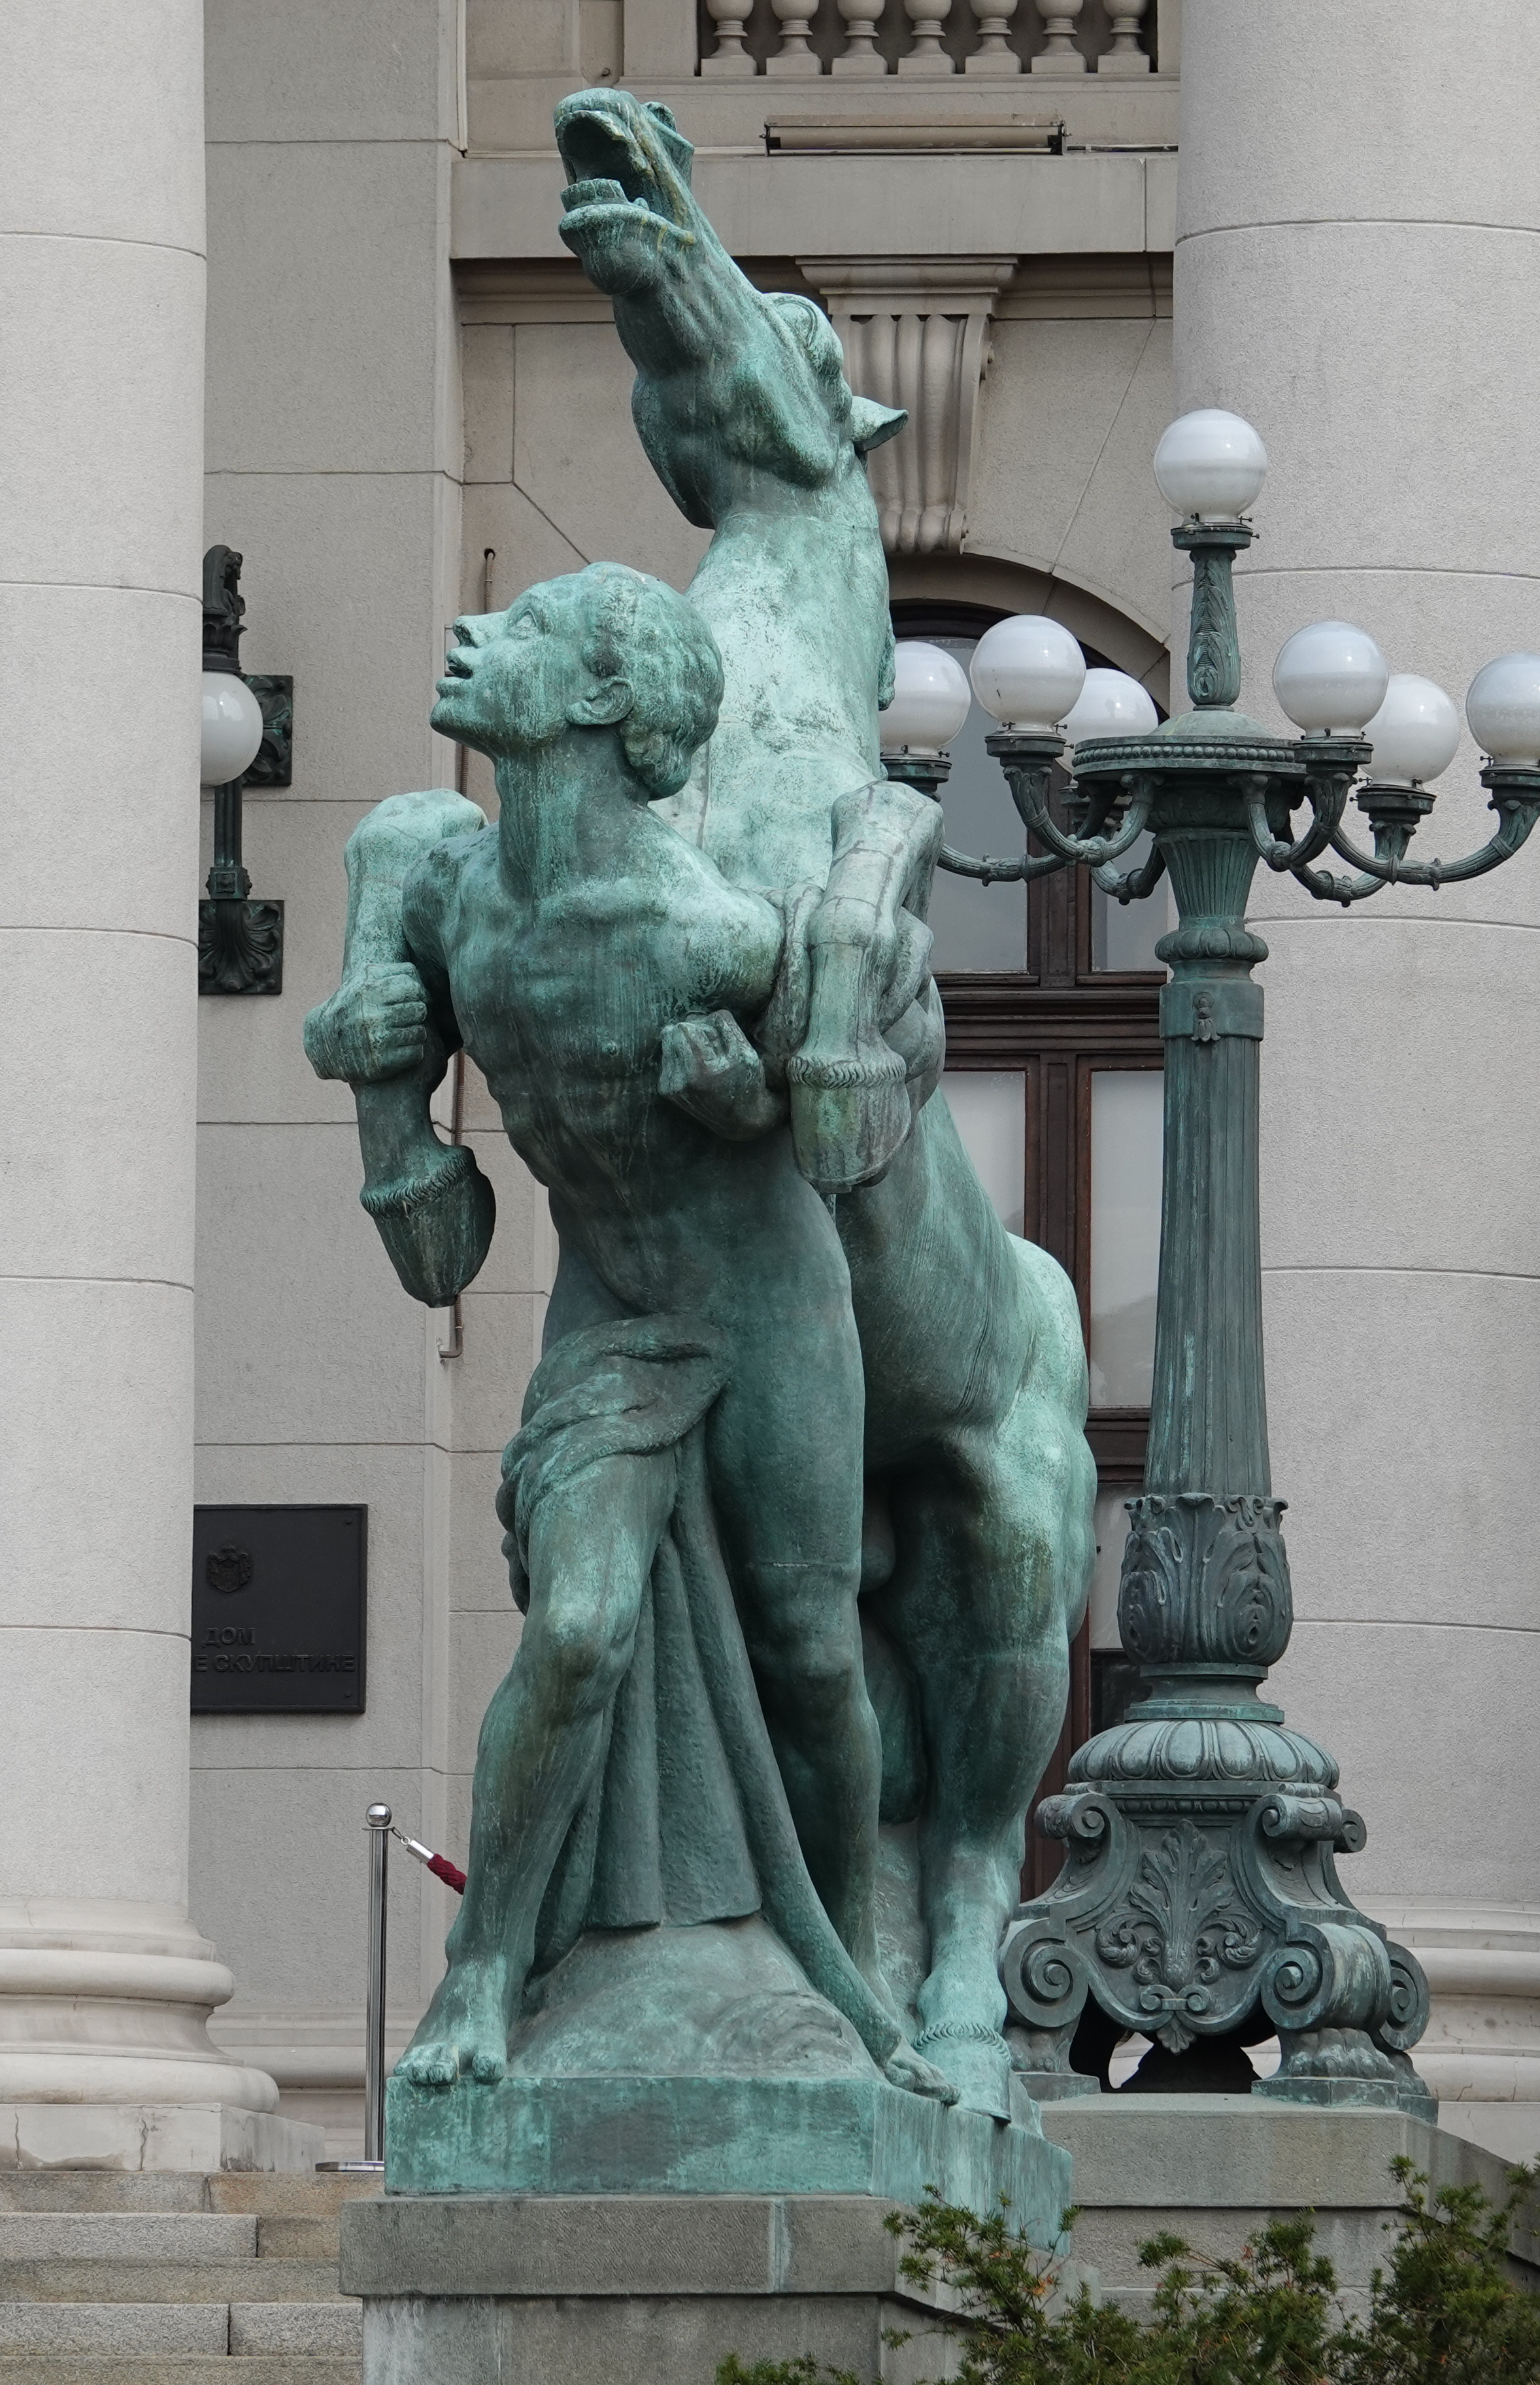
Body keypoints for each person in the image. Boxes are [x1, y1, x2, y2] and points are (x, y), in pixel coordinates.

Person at [322, 561, 934, 2091]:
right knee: (579, 1627)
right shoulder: (434, 886)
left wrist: (756, 1107)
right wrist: (368, 1071)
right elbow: (439, 1258)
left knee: (813, 1656)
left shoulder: (713, 931)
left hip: (770, 1306)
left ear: (600, 697)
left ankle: (856, 1988)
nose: (474, 634)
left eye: (523, 629)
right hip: (611, 1311)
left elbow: (850, 1136)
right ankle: (484, 1972)